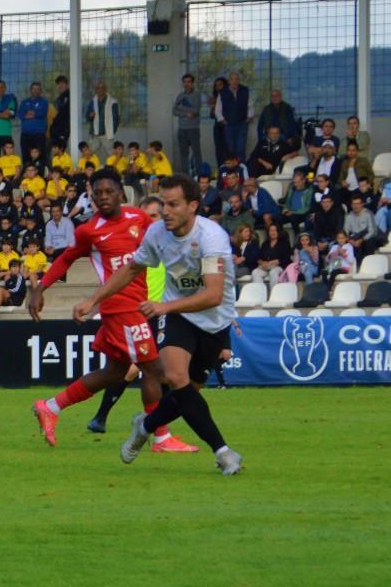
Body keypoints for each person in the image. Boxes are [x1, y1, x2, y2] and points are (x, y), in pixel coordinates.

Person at [81, 174, 244, 476]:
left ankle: (145, 426)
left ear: (193, 205)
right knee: (174, 375)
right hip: (178, 316)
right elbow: (132, 269)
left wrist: (164, 306)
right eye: (163, 204)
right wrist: (94, 300)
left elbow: (213, 294)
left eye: (173, 204)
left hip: (213, 320)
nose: (165, 211)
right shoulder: (157, 234)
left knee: (185, 395)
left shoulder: (212, 237)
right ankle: (223, 452)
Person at [27, 169, 189, 450]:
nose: (102, 197)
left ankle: (50, 407)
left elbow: (161, 246)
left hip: (139, 304)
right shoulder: (89, 230)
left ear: (120, 194)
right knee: (153, 369)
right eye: (97, 193)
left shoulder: (138, 219)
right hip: (121, 308)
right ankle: (161, 437)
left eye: (108, 191)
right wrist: (41, 288)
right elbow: (66, 258)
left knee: (114, 372)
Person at [215, 71, 253, 163]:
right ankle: (232, 171)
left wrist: (249, 117)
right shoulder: (223, 92)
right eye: (232, 79)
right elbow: (218, 110)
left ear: (239, 80)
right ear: (229, 81)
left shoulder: (245, 90)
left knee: (241, 149)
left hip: (242, 124)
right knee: (230, 149)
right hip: (229, 125)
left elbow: (251, 106)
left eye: (237, 79)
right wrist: (223, 121)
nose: (235, 81)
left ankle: (242, 169)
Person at [172, 74, 203, 174]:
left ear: (192, 83)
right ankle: (185, 175)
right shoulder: (180, 96)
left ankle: (199, 175)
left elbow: (195, 111)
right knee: (183, 154)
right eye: (185, 82)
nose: (186, 84)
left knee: (197, 153)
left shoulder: (197, 95)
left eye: (189, 82)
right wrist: (186, 113)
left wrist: (181, 109)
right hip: (182, 129)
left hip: (193, 128)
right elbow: (174, 111)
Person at [85, 81, 120, 158]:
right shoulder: (92, 101)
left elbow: (116, 119)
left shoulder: (112, 102)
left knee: (112, 155)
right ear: (96, 90)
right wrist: (90, 115)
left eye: (102, 88)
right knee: (92, 156)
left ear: (106, 89)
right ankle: (93, 170)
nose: (100, 90)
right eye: (98, 88)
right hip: (95, 134)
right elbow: (87, 116)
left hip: (107, 133)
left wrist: (111, 131)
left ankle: (113, 169)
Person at [252, 224, 291, 290]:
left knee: (273, 272)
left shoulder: (284, 243)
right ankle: (261, 294)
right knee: (255, 272)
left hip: (279, 266)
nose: (272, 232)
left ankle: (274, 294)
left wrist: (272, 262)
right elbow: (259, 257)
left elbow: (286, 257)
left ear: (278, 232)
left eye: (275, 230)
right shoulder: (265, 244)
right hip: (266, 266)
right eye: (271, 230)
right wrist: (262, 263)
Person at [18, 82, 49, 165]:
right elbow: (20, 114)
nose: (36, 91)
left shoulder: (44, 102)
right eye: (34, 89)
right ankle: (26, 176)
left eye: (38, 89)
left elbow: (41, 112)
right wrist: (31, 114)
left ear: (41, 91)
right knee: (26, 156)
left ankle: (40, 176)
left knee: (40, 157)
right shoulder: (24, 102)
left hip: (39, 134)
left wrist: (30, 113)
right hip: (25, 134)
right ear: (31, 90)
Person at [207, 76, 229, 166]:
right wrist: (213, 107)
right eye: (216, 86)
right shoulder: (214, 98)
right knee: (218, 148)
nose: (218, 87)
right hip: (217, 125)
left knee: (227, 147)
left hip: (227, 124)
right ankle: (221, 167)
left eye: (220, 85)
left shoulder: (228, 96)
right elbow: (211, 116)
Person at [50, 75, 71, 148]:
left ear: (67, 84)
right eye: (59, 84)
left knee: (62, 149)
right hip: (59, 129)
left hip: (66, 128)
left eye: (62, 83)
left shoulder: (71, 95)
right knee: (57, 149)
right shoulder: (59, 98)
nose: (60, 85)